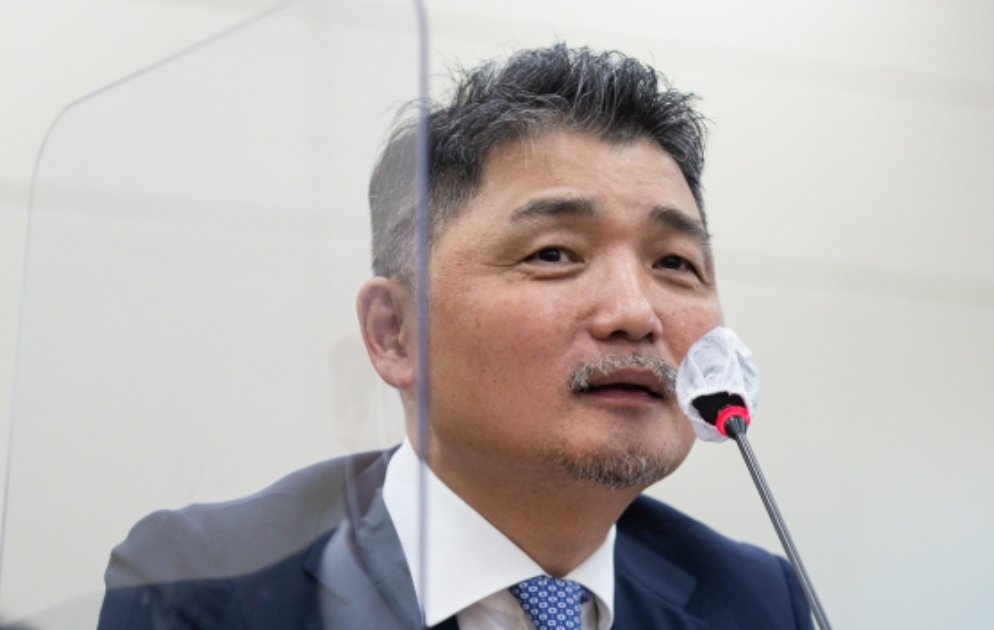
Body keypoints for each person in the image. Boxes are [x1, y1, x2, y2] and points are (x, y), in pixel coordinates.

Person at [97, 44, 813, 630]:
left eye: (674, 264)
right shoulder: (205, 585)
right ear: (395, 334)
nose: (635, 312)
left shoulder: (755, 601)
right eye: (554, 253)